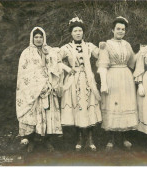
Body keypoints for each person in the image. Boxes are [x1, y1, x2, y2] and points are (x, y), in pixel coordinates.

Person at [16, 27, 63, 152]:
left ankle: (47, 141)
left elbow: (55, 68)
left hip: (48, 88)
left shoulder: (49, 51)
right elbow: (24, 73)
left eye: (40, 37)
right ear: (32, 38)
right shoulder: (26, 53)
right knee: (33, 115)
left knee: (48, 115)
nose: (38, 39)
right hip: (33, 90)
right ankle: (31, 141)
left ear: (44, 38)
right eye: (36, 37)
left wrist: (50, 83)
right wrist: (38, 85)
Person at [58, 17, 102, 151]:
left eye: (80, 30)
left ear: (83, 32)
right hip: (73, 80)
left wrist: (103, 47)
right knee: (77, 108)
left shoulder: (88, 46)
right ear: (71, 33)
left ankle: (90, 139)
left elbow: (100, 54)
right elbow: (55, 59)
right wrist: (67, 69)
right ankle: (79, 139)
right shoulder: (66, 47)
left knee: (89, 107)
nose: (78, 33)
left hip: (87, 80)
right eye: (75, 31)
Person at [97, 16, 138, 150]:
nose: (120, 31)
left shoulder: (127, 44)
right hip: (112, 76)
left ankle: (125, 137)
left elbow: (132, 62)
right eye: (118, 29)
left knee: (125, 105)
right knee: (113, 105)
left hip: (126, 77)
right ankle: (111, 138)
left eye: (123, 29)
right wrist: (103, 83)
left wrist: (143, 51)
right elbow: (102, 65)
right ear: (112, 30)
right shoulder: (106, 45)